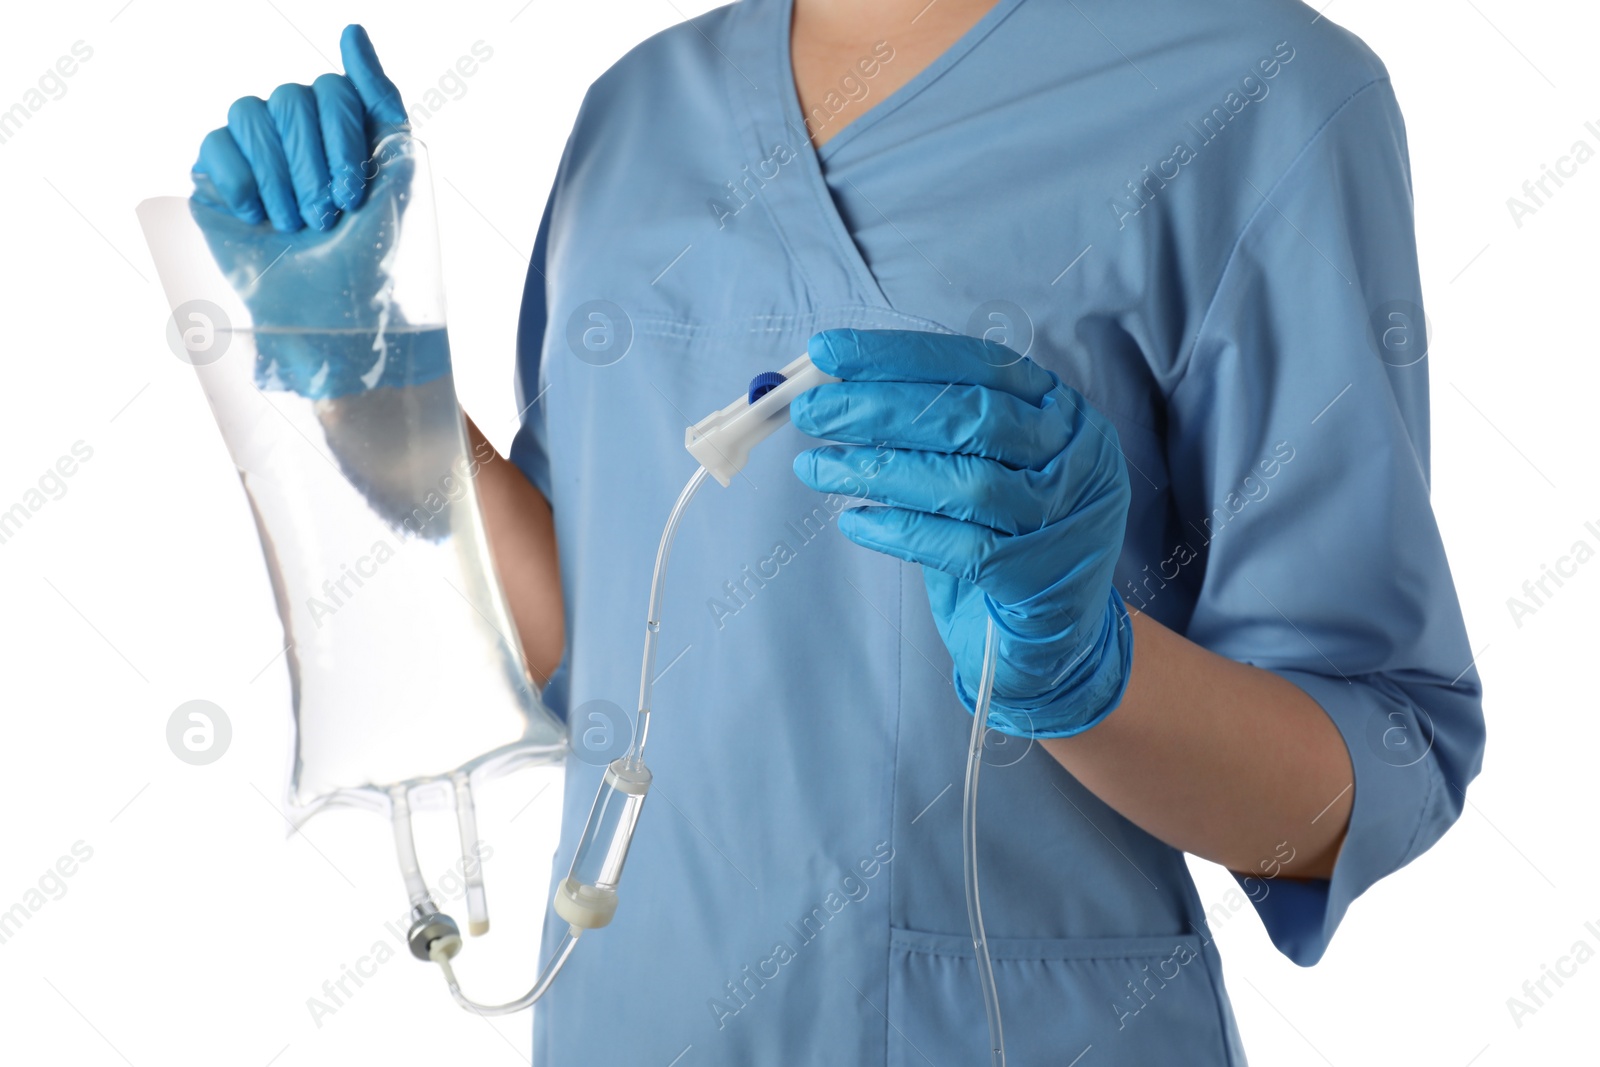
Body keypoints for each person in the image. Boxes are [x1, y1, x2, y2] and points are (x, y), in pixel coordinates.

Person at [192, 2, 1485, 1062]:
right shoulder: (639, 105)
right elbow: (597, 637)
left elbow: (1364, 776)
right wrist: (359, 366)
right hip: (623, 1017)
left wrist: (1087, 669)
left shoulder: (1261, 88)